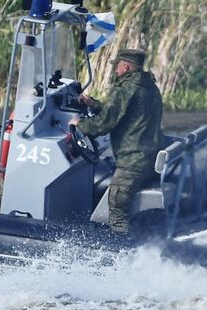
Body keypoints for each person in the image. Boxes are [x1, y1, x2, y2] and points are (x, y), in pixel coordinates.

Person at [68, 48, 164, 234]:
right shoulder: (149, 87)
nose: (115, 71)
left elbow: (104, 124)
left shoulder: (125, 89)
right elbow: (125, 113)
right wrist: (93, 104)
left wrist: (80, 125)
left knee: (117, 205)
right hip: (149, 158)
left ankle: (121, 250)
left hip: (132, 162)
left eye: (117, 67)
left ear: (126, 66)